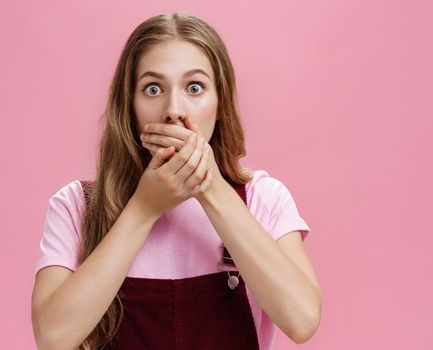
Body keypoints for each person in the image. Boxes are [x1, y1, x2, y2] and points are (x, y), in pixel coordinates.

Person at [30, 12, 321, 350]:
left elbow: (302, 320)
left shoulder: (263, 198)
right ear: (129, 106)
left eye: (194, 87)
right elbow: (52, 338)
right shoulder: (76, 205)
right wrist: (143, 208)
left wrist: (209, 187)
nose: (173, 110)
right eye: (153, 88)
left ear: (220, 102)